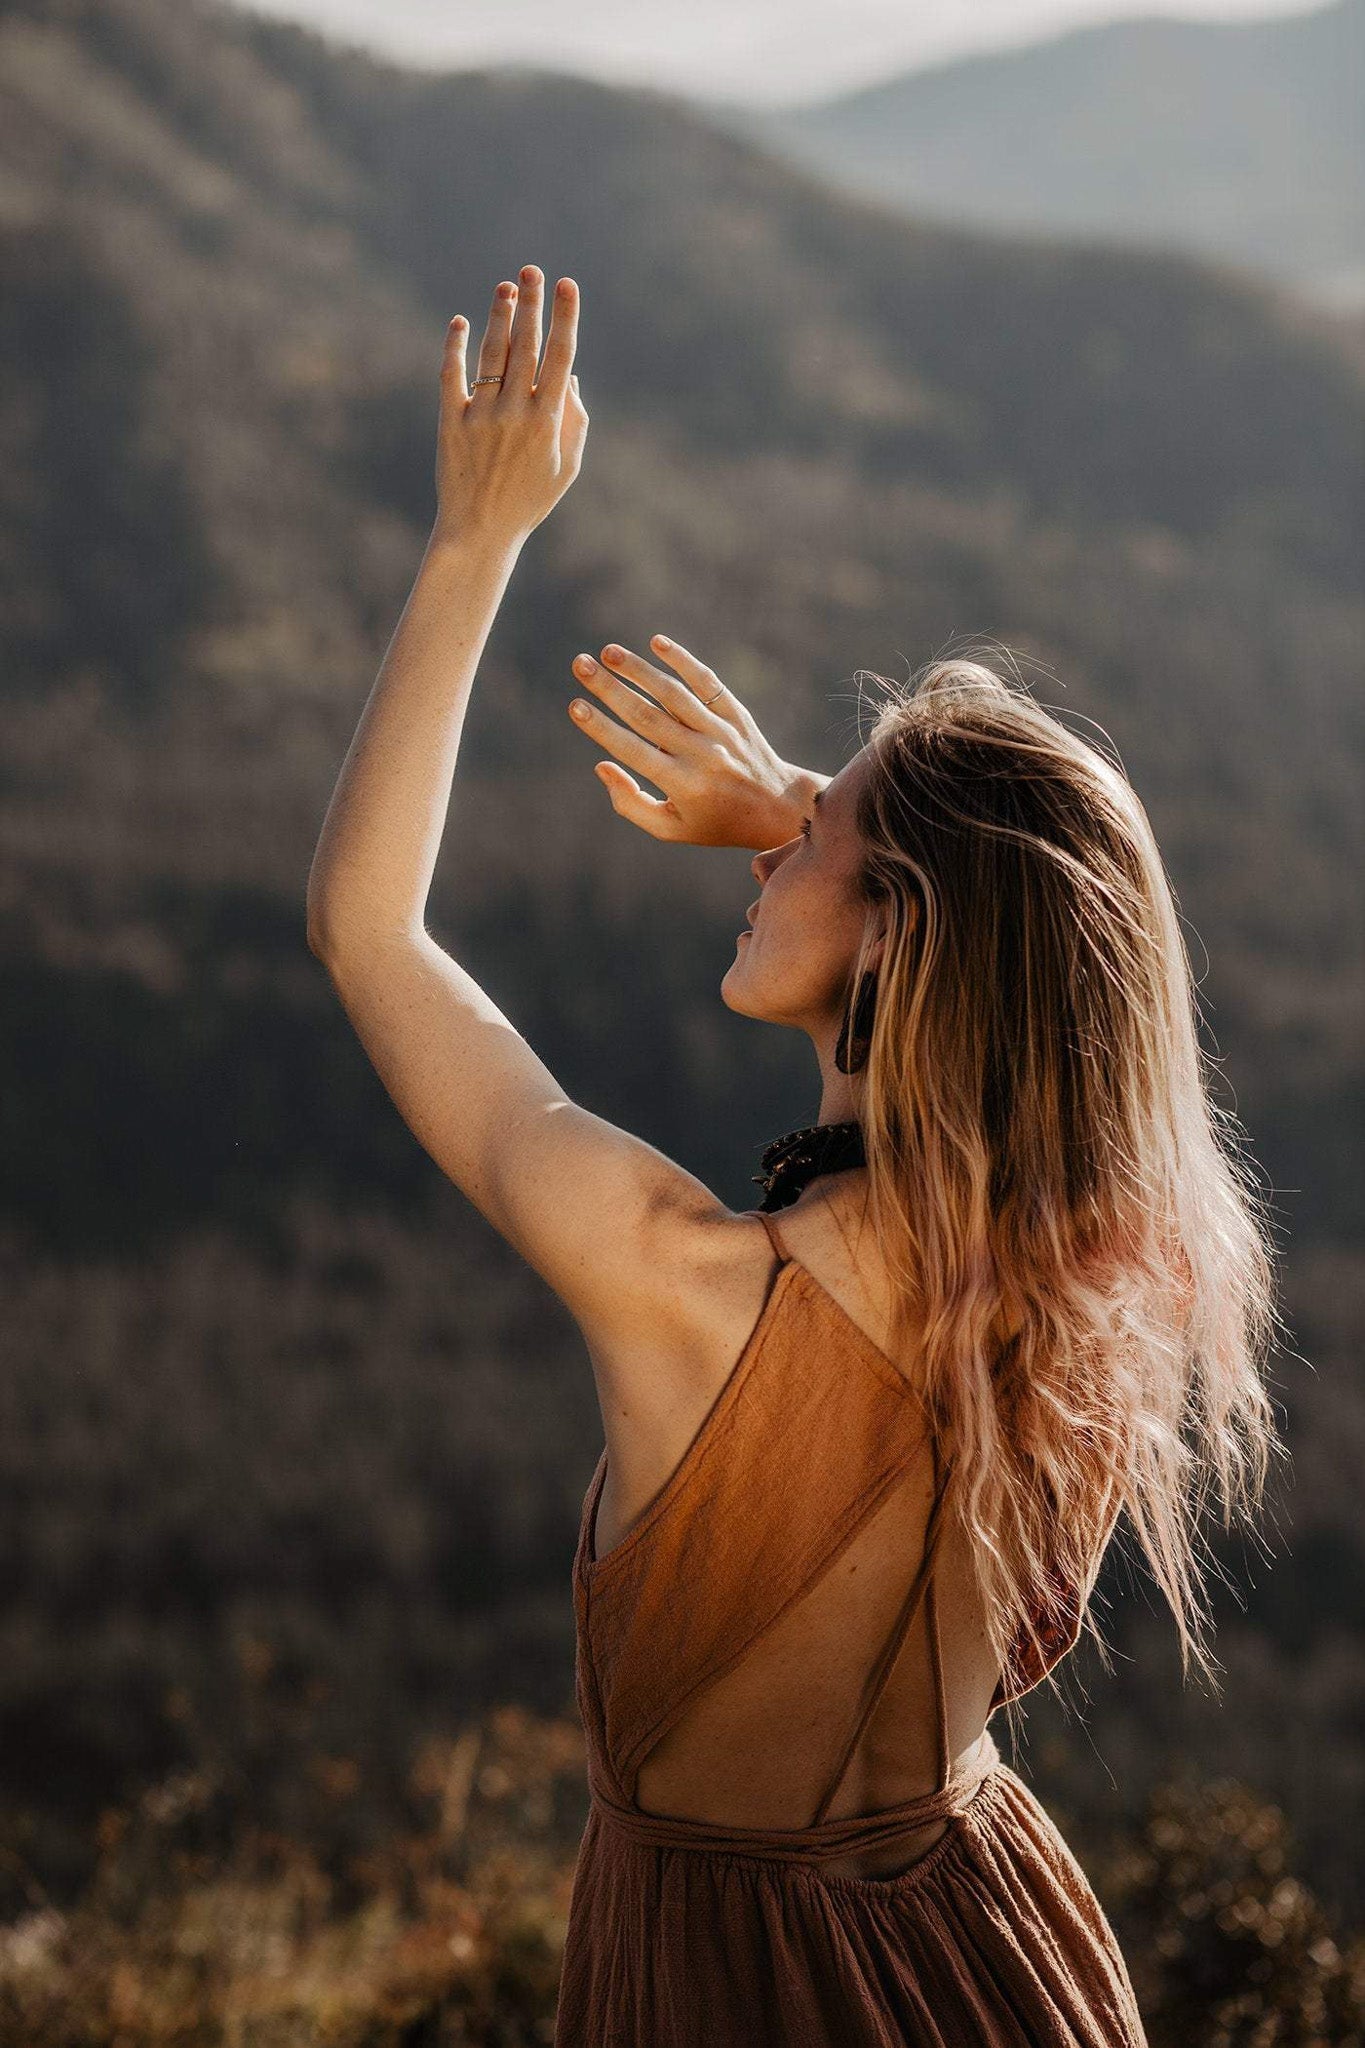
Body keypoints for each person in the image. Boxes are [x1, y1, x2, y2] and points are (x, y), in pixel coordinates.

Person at [307, 266, 1284, 2045]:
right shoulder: (1099, 1268)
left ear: (904, 931)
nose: (761, 839)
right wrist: (842, 847)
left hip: (729, 1985)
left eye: (802, 823)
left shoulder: (681, 1279)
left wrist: (471, 548)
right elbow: (1061, 968)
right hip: (994, 1942)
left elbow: (370, 930)